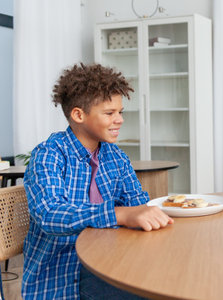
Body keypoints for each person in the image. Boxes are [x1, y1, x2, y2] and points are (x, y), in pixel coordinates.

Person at [22, 63, 174, 299]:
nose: (120, 120)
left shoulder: (116, 157)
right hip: (64, 276)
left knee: (169, 281)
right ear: (79, 115)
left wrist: (148, 215)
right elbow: (50, 214)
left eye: (120, 112)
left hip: (110, 261)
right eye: (109, 113)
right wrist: (119, 214)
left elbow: (139, 204)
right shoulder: (49, 154)